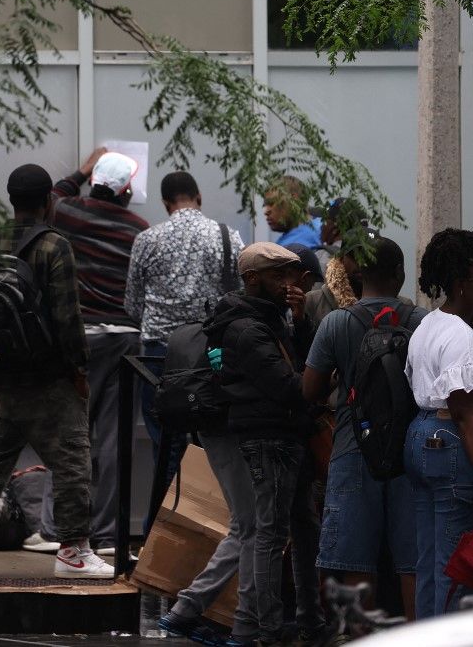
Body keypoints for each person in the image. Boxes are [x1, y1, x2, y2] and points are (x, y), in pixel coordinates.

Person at [0, 163, 113, 579]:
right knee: (73, 459)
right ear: (48, 201)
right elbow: (67, 317)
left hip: (0, 374)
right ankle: (73, 551)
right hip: (47, 379)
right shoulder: (55, 246)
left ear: (11, 199)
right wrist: (79, 369)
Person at [26, 148, 149, 556]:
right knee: (113, 438)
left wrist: (81, 168)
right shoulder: (140, 229)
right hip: (124, 340)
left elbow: (51, 194)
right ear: (127, 189)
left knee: (67, 431)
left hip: (76, 339)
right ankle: (109, 534)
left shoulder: (66, 212)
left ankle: (52, 527)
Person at [203, 242, 321, 646]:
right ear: (252, 279)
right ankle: (265, 630)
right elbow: (289, 386)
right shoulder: (247, 327)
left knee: (298, 528)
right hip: (268, 435)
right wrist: (322, 381)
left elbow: (299, 362)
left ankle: (303, 620)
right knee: (270, 533)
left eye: (289, 275)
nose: (285, 284)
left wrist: (302, 320)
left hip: (286, 433)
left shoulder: (273, 319)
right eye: (276, 276)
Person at [303, 235, 425, 621]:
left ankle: (361, 636)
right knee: (412, 557)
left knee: (356, 555)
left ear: (358, 276)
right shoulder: (421, 321)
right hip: (410, 451)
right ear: (401, 274)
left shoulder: (336, 323)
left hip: (353, 447)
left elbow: (309, 389)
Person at [404, 228, 473, 618]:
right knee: (457, 566)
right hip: (453, 446)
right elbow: (465, 415)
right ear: (462, 285)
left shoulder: (429, 324)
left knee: (430, 560)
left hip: (423, 438)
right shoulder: (460, 336)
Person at [125, 171, 243, 490]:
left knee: (164, 441)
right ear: (199, 197)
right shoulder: (226, 236)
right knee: (211, 437)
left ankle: (167, 523)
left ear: (166, 204)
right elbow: (239, 295)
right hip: (207, 353)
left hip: (158, 356)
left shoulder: (147, 240)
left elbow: (133, 305)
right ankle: (208, 517)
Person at [263, 176, 321, 250]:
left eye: (271, 203)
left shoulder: (323, 233)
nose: (266, 212)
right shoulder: (322, 228)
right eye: (265, 205)